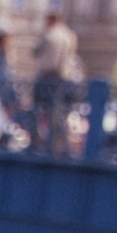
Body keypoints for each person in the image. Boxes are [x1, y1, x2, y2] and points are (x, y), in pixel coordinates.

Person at [30, 9, 85, 151]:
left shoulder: (49, 34)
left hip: (47, 75)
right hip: (64, 76)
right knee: (58, 110)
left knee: (37, 108)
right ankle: (57, 144)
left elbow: (35, 51)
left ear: (50, 21)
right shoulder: (70, 35)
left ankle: (35, 142)